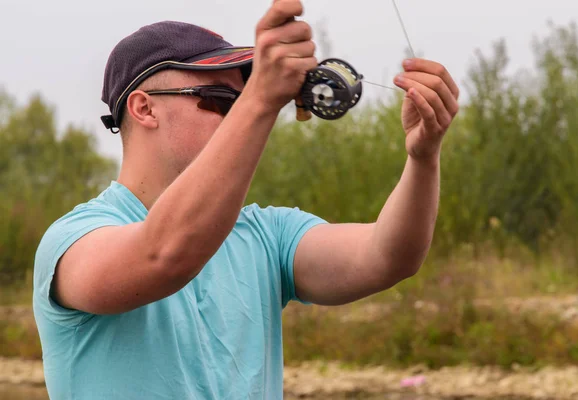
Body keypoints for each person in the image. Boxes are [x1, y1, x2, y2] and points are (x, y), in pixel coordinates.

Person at [32, 1, 460, 399]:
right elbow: (162, 255)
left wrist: (422, 158)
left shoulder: (268, 235)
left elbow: (389, 257)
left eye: (242, 101)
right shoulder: (72, 241)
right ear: (144, 109)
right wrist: (258, 101)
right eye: (221, 102)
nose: (240, 115)